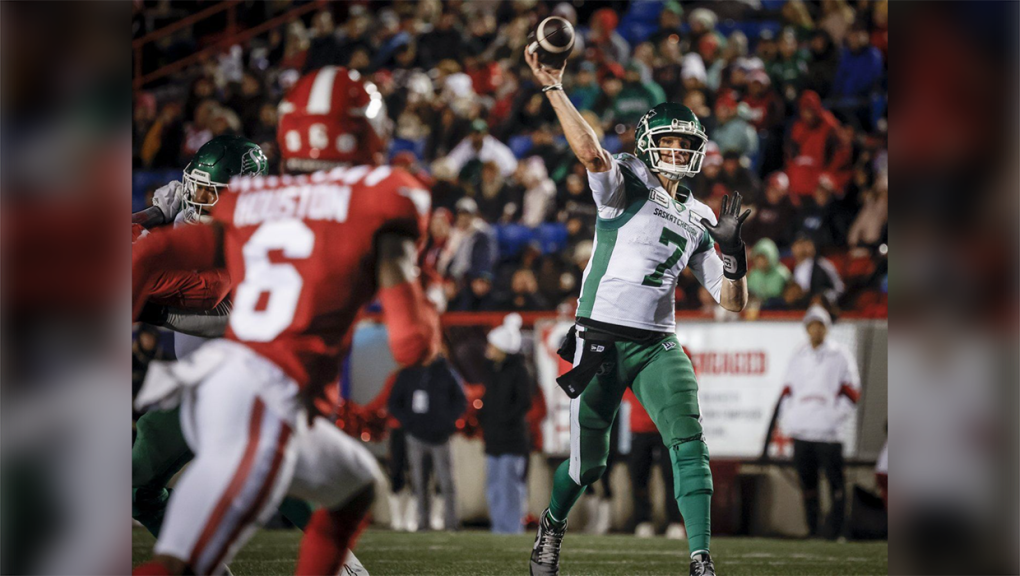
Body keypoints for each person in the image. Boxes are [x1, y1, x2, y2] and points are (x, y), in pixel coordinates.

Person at [130, 67, 439, 576]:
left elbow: (190, 278)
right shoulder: (381, 198)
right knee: (309, 486)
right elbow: (410, 342)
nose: (197, 199)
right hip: (265, 391)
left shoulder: (252, 204)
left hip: (232, 385)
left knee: (342, 484)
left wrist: (132, 282)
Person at [525, 46, 751, 576]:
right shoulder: (625, 180)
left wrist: (736, 257)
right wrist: (554, 87)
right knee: (589, 466)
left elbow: (731, 301)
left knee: (689, 439)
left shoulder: (699, 212)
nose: (675, 150)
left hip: (656, 343)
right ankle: (552, 526)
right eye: (667, 141)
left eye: (684, 143)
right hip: (599, 337)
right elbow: (589, 153)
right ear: (647, 144)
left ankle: (700, 559)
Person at [777, 305, 861, 539]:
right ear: (806, 328)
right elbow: (787, 391)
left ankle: (837, 531)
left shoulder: (840, 354)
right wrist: (790, 417)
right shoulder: (798, 354)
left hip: (829, 433)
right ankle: (812, 529)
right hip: (802, 430)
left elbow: (852, 391)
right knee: (808, 485)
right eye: (812, 325)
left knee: (835, 484)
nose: (815, 330)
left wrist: (834, 415)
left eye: (820, 325)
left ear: (827, 328)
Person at [387, 353, 467, 532]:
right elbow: (394, 402)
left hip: (441, 437)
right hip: (416, 437)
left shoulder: (447, 372)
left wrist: (447, 422)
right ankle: (422, 523)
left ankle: (451, 523)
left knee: (446, 482)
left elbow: (461, 400)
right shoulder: (407, 373)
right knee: (419, 483)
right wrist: (409, 423)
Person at [478, 313, 534, 534]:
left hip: (512, 439)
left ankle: (511, 529)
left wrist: (501, 420)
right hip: (493, 439)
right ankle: (498, 527)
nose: (488, 349)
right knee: (494, 487)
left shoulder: (519, 371)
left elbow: (522, 403)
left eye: (492, 345)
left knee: (510, 487)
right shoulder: (492, 370)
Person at [624, 389, 685, 540]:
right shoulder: (631, 364)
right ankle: (643, 520)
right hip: (640, 426)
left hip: (669, 426)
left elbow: (687, 382)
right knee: (639, 476)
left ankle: (675, 521)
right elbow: (623, 385)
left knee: (672, 475)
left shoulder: (676, 364)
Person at [791, 233, 845, 305]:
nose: (803, 248)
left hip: (822, 306)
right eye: (799, 244)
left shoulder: (823, 264)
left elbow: (839, 288)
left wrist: (825, 298)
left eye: (807, 244)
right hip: (802, 305)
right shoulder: (793, 267)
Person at [746, 238, 791, 303]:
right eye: (757, 257)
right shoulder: (752, 274)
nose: (760, 261)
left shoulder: (783, 274)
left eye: (763, 257)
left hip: (777, 310)